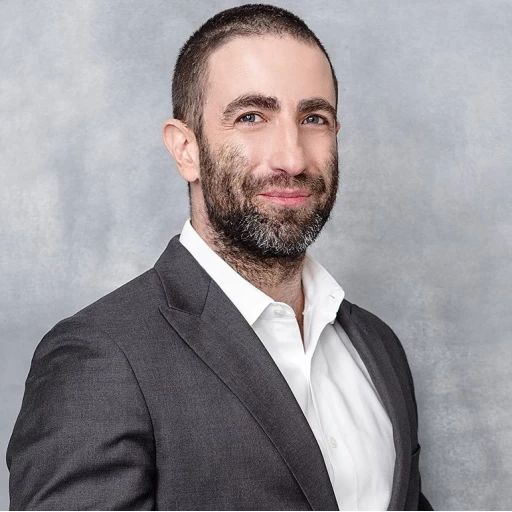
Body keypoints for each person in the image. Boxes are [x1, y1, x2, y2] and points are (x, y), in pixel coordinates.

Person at [7, 4, 432, 510]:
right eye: (251, 117)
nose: (292, 158)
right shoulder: (99, 358)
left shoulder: (378, 347)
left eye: (313, 118)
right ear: (185, 150)